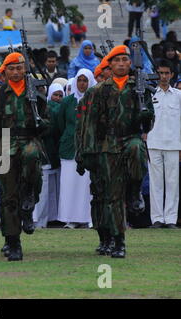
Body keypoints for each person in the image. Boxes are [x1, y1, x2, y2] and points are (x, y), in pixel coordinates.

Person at [76, 45, 154, 258]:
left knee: (138, 148)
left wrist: (146, 117)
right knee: (113, 198)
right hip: (107, 146)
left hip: (131, 137)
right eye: (117, 60)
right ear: (109, 65)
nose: (121, 64)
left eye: (125, 60)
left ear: (130, 63)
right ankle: (118, 241)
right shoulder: (98, 91)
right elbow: (89, 125)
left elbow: (149, 124)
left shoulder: (139, 87)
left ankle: (136, 189)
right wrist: (87, 154)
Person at [0, 52, 48, 261]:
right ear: (5, 71)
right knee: (8, 196)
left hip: (29, 141)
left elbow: (48, 122)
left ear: (25, 69)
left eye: (20, 68)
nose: (17, 72)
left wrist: (41, 124)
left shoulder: (35, 93)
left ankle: (30, 200)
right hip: (5, 146)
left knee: (32, 162)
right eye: (12, 68)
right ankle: (13, 241)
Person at [56, 69, 96, 229]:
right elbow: (61, 123)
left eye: (85, 80)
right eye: (79, 80)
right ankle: (70, 218)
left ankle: (89, 218)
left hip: (89, 148)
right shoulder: (67, 102)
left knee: (87, 185)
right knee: (69, 184)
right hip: (69, 148)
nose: (82, 83)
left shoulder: (95, 100)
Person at [147, 60, 181, 229]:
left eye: (167, 73)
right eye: (161, 73)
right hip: (153, 143)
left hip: (174, 144)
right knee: (156, 183)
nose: (164, 76)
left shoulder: (179, 95)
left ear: (172, 75)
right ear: (157, 74)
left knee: (173, 183)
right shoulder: (150, 94)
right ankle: (157, 219)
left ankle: (171, 220)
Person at [33, 83, 64, 228]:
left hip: (46, 152)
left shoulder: (50, 108)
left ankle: (41, 221)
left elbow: (53, 128)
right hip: (29, 151)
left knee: (45, 189)